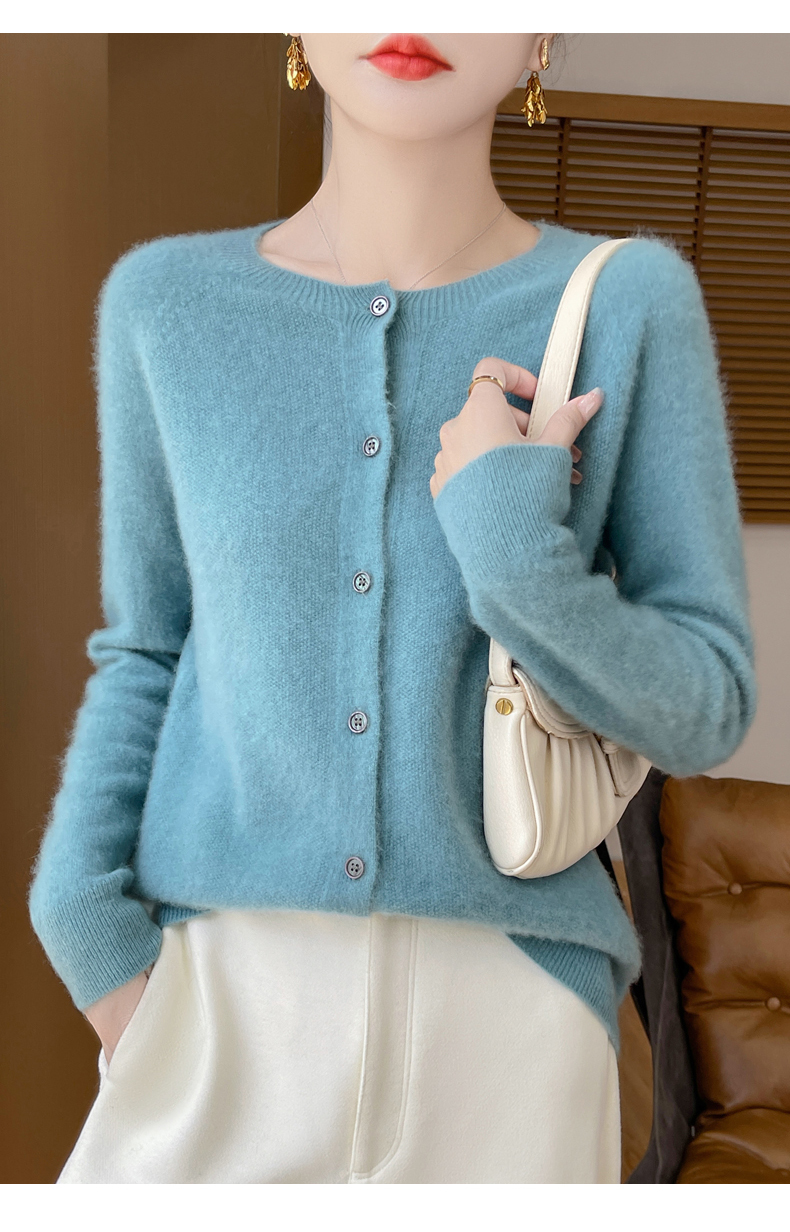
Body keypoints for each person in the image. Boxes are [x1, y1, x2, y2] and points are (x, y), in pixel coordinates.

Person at [28, 33, 756, 1184]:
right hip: (214, 1005)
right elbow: (146, 645)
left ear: (541, 31)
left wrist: (513, 550)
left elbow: (705, 704)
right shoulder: (164, 304)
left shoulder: (627, 301)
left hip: (512, 1030)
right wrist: (86, 922)